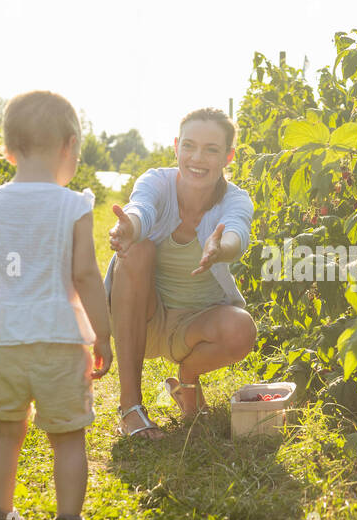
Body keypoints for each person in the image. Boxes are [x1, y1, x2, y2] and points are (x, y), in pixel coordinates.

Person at [0, 91, 115, 520]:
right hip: (59, 341)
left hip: (1, 340)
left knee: (6, 432)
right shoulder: (72, 206)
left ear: (8, 150)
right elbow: (85, 274)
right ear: (69, 146)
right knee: (68, 438)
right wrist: (101, 334)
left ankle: (0, 518)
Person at [106, 108, 257, 439]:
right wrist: (131, 226)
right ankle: (131, 408)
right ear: (176, 146)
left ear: (228, 156)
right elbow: (141, 208)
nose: (197, 158)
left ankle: (187, 376)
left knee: (242, 328)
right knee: (137, 250)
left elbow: (236, 233)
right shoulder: (157, 182)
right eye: (189, 145)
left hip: (197, 324)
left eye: (212, 149)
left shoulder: (236, 200)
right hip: (147, 317)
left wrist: (221, 248)